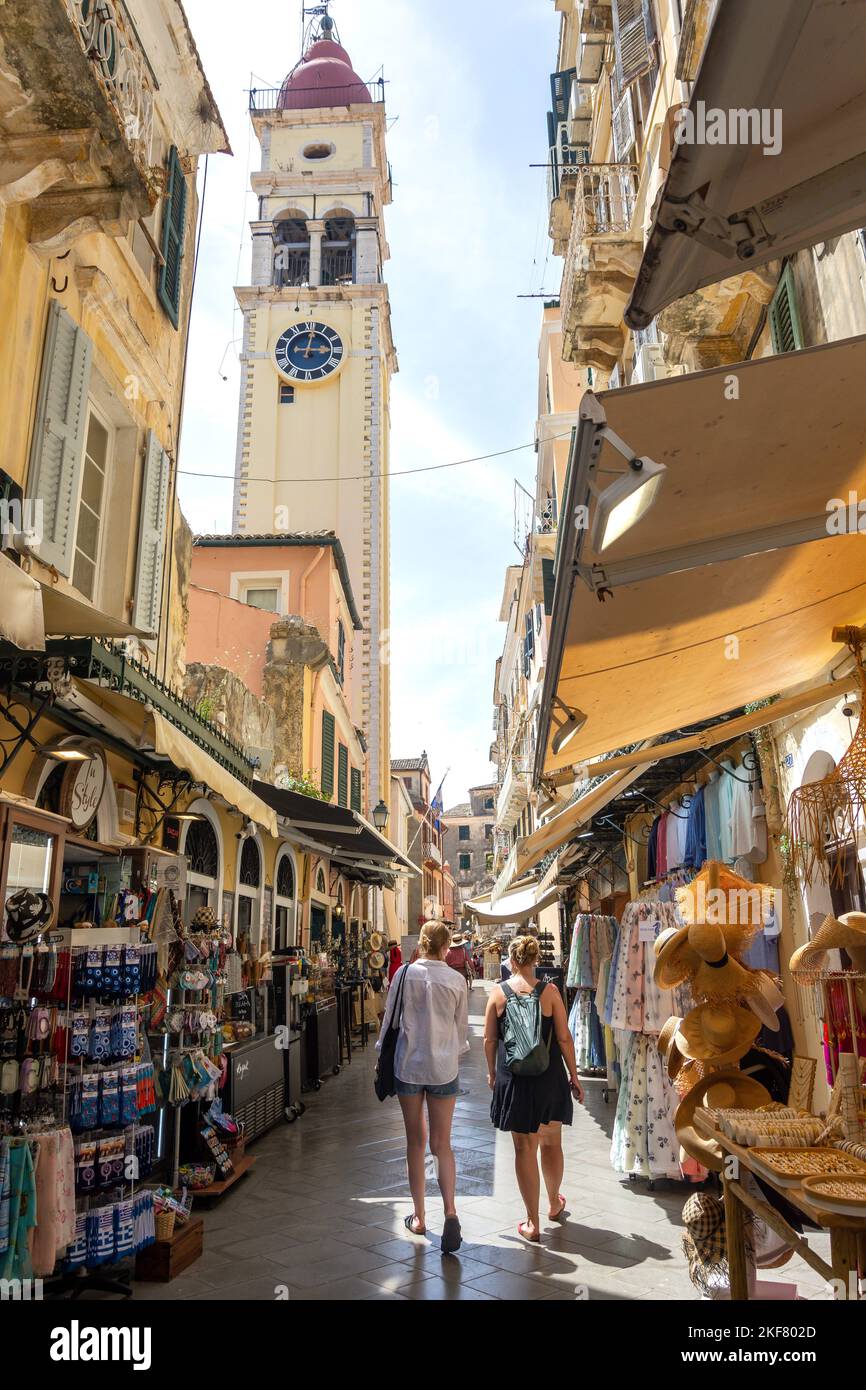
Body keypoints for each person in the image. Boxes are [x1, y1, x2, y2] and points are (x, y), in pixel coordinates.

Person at [377, 916, 469, 1253]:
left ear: (420, 944)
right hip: (444, 1069)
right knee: (442, 1144)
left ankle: (419, 1216)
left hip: (408, 1067)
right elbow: (461, 1033)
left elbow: (389, 1022)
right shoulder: (456, 980)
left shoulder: (403, 974)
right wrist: (448, 1051)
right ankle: (451, 1211)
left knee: (416, 1142)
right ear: (447, 947)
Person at [484, 934, 584, 1243]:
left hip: (514, 1080)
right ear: (536, 961)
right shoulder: (550, 992)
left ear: (511, 962)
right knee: (551, 1143)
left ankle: (532, 1222)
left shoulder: (497, 994)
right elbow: (565, 1038)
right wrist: (575, 1076)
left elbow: (489, 1039)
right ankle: (554, 1202)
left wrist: (491, 1074)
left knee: (524, 1148)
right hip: (549, 1077)